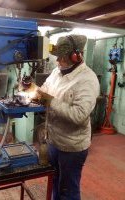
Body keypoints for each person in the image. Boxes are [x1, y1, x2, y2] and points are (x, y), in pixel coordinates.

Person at [37, 34, 100, 200]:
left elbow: (79, 115)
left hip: (72, 146)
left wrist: (50, 101)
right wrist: (34, 92)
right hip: (54, 140)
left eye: (62, 58)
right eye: (57, 57)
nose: (58, 62)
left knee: (68, 190)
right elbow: (44, 89)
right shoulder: (57, 72)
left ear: (76, 56)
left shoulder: (87, 79)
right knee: (55, 180)